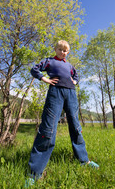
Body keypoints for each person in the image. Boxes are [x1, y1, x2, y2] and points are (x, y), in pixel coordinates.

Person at [25, 40, 99, 187]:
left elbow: (76, 76)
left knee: (76, 126)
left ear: (68, 52)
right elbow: (34, 69)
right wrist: (44, 79)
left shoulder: (70, 66)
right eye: (60, 49)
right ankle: (34, 173)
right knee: (48, 128)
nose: (62, 52)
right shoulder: (49, 61)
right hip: (55, 93)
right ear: (56, 49)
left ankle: (84, 161)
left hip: (71, 94)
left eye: (65, 51)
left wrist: (75, 82)